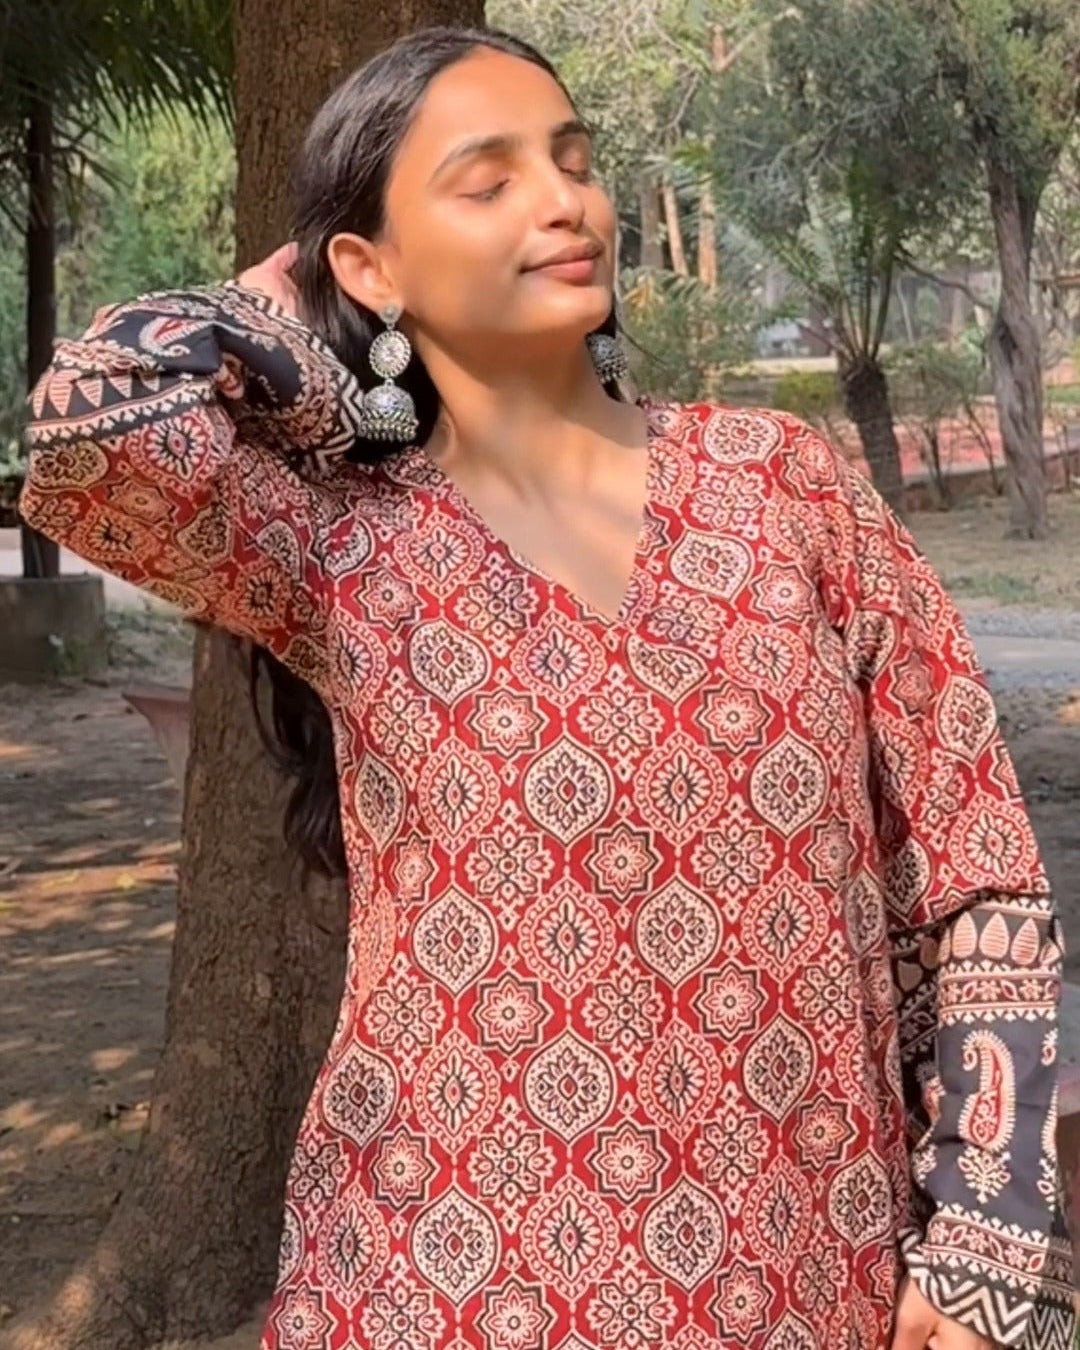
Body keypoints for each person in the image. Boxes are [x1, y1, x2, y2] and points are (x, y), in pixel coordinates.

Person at [18, 25, 1075, 1350]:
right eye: (491, 176)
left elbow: (975, 854)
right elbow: (85, 419)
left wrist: (985, 1216)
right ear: (367, 262)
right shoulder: (337, 542)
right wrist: (311, 321)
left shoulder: (783, 483)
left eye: (575, 159)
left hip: (804, 1270)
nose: (565, 199)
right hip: (428, 1277)